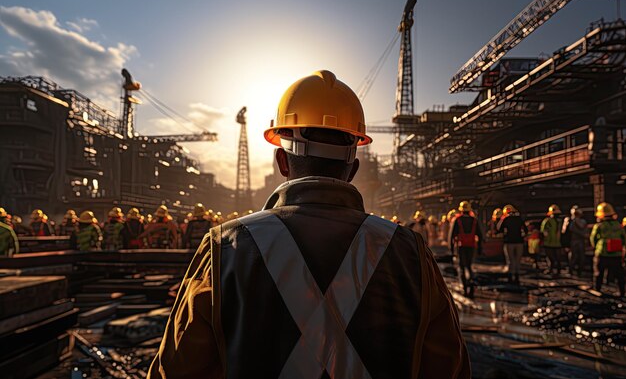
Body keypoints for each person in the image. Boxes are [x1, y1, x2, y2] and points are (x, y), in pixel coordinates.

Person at [148, 70, 470, 379]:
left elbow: (177, 370)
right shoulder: (409, 253)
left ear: (282, 162)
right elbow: (449, 369)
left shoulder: (226, 248)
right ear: (353, 168)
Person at [590, 202, 625, 296]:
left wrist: (596, 247)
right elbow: (624, 238)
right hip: (616, 254)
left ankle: (597, 289)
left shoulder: (599, 226)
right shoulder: (618, 225)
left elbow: (593, 238)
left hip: (602, 253)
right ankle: (622, 291)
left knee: (599, 272)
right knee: (619, 274)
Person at [449, 201, 483, 297]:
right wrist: (480, 248)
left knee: (462, 267)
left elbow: (452, 236)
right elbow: (480, 235)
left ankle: (465, 288)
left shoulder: (457, 220)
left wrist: (451, 249)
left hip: (461, 246)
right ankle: (471, 286)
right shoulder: (474, 221)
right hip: (471, 246)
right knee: (469, 266)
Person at [497, 204, 528, 284]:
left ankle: (510, 277)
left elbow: (499, 229)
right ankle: (517, 277)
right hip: (519, 242)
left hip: (509, 242)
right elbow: (526, 230)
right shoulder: (519, 219)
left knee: (510, 260)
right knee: (517, 260)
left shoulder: (506, 219)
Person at [562, 205, 588, 277]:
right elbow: (566, 232)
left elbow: (582, 229)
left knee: (579, 257)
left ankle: (578, 271)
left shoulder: (580, 221)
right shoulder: (570, 221)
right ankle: (573, 270)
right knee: (574, 256)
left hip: (578, 241)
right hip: (574, 241)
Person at [541, 204, 564, 276]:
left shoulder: (558, 222)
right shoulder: (549, 221)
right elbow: (543, 231)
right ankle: (553, 270)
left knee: (554, 258)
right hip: (552, 242)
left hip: (553, 243)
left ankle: (555, 270)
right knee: (553, 258)